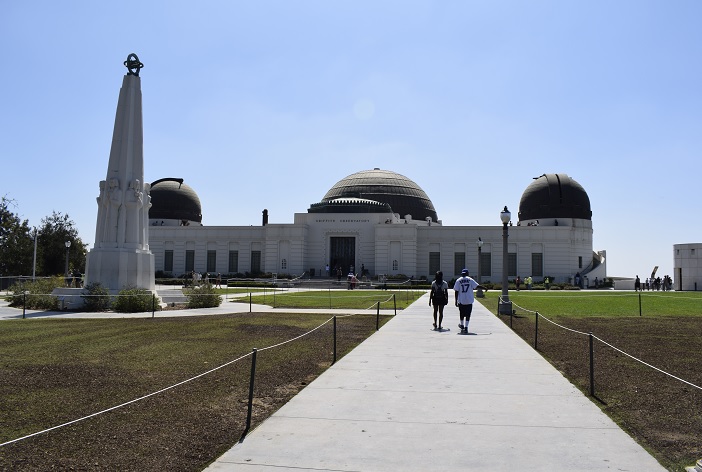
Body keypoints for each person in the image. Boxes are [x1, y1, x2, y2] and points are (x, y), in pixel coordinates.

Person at [453, 269, 488, 334]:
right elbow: (477, 286)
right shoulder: (470, 280)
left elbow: (456, 291)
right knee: (468, 314)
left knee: (461, 314)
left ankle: (462, 325)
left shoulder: (458, 280)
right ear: (468, 273)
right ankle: (466, 327)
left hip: (462, 300)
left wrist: (456, 300)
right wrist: (484, 288)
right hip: (469, 300)